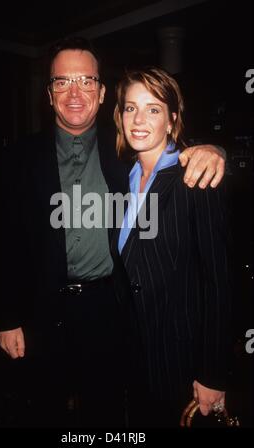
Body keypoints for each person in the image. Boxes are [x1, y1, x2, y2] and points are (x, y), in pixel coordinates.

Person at [0, 37, 226, 427]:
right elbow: (0, 241)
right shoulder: (17, 159)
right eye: (62, 82)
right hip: (41, 311)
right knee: (41, 407)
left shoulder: (121, 153)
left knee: (108, 411)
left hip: (111, 311)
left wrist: (214, 150)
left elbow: (170, 148)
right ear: (49, 95)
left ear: (101, 95)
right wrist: (5, 316)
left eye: (86, 81)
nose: (74, 92)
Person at [112, 67, 232, 427]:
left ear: (172, 119)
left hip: (183, 360)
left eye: (153, 109)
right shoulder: (120, 177)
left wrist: (213, 372)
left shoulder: (196, 177)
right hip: (132, 357)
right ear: (119, 117)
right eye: (131, 108)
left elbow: (220, 282)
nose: (139, 119)